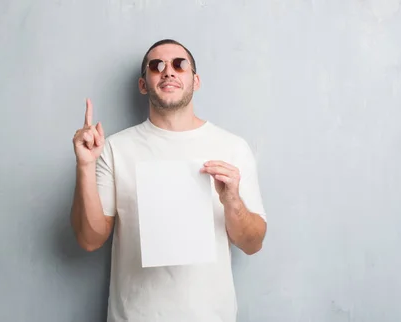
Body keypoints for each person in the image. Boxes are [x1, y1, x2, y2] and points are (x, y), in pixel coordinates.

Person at [70, 39, 268, 322]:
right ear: (143, 84)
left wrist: (232, 201)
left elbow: (253, 244)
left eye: (180, 64)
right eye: (156, 66)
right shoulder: (115, 148)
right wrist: (85, 165)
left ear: (195, 80)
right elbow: (90, 240)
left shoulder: (232, 148)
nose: (168, 71)